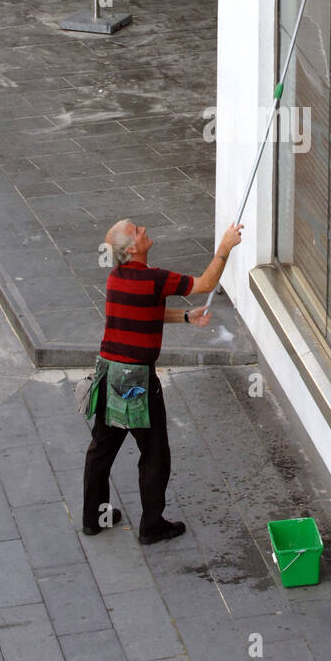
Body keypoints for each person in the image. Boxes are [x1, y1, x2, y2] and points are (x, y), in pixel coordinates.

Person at [82, 218, 243, 543]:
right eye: (137, 230)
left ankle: (93, 518)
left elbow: (146, 309)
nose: (143, 230)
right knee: (155, 454)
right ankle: (151, 525)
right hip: (139, 381)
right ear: (131, 248)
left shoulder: (116, 279)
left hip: (109, 376)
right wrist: (225, 246)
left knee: (101, 450)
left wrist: (185, 316)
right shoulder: (154, 279)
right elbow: (206, 283)